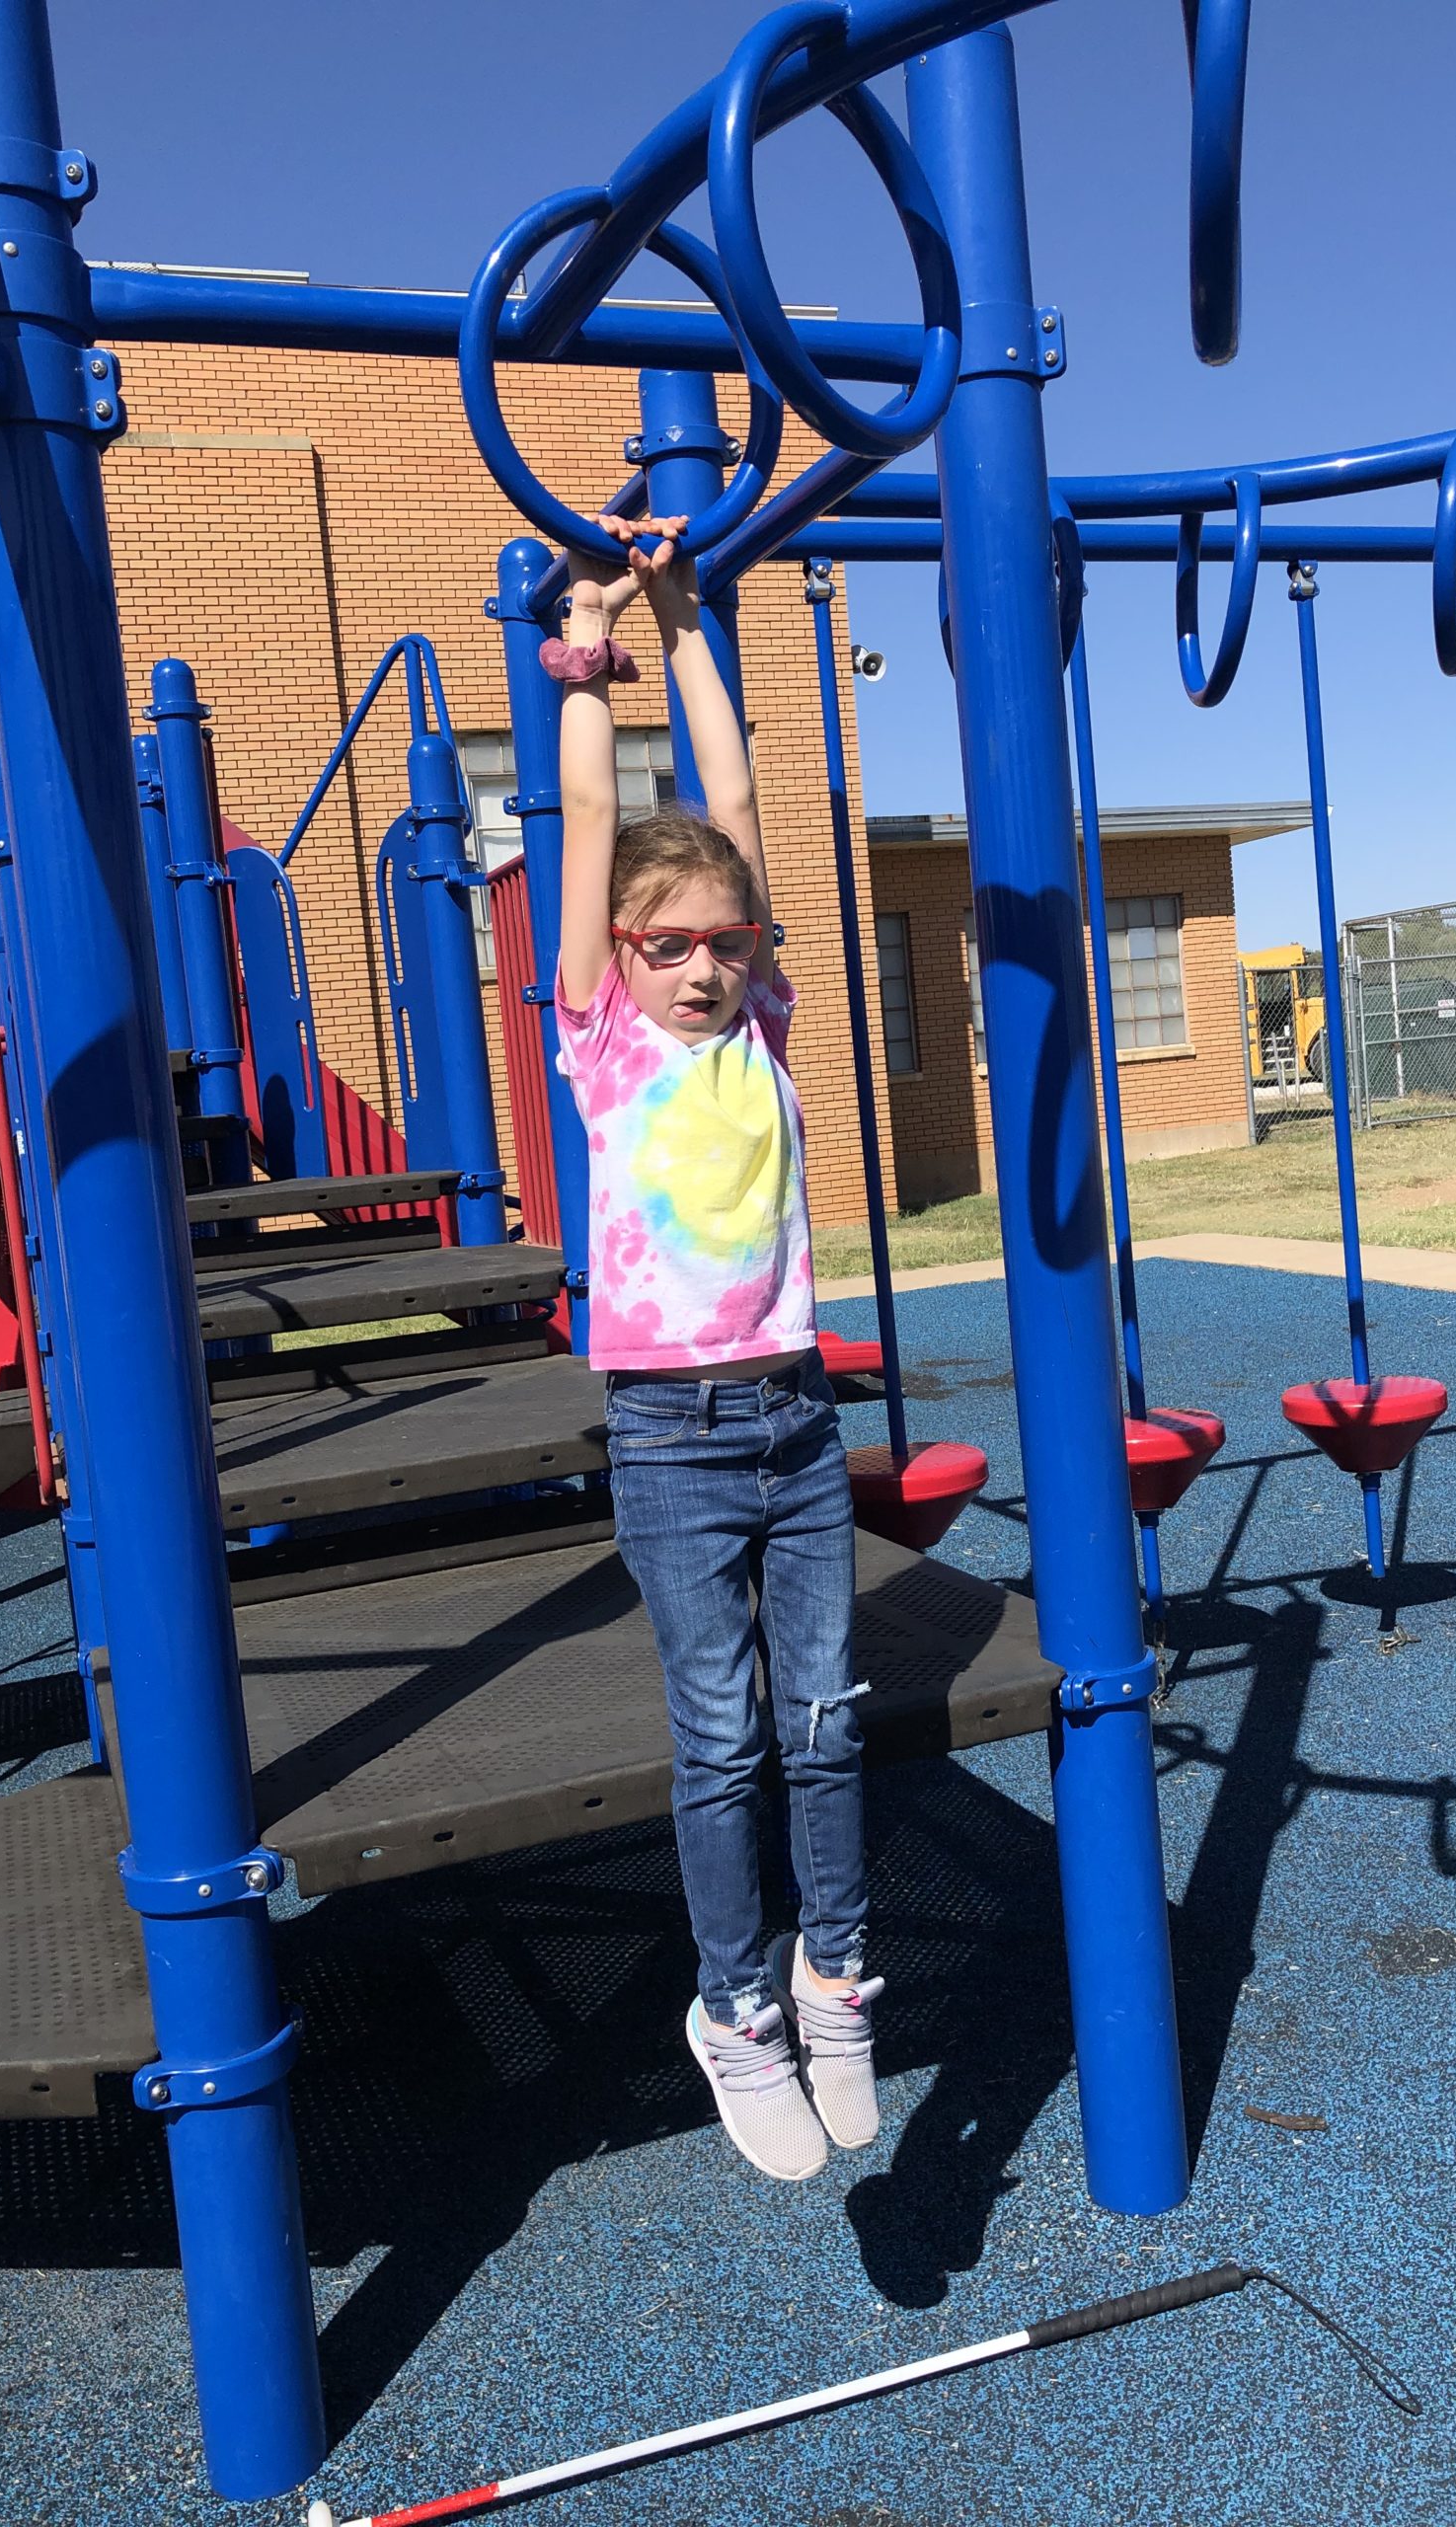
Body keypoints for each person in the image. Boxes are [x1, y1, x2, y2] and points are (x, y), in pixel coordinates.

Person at [547, 510, 881, 2182]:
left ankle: (835, 1980)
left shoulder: (757, 1022)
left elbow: (735, 816)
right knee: (723, 1733)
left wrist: (688, 617)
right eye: (662, 942)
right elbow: (602, 816)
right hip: (671, 1436)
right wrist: (591, 643)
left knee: (824, 1715)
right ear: (617, 957)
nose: (694, 963)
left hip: (795, 1419)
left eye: (721, 941)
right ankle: (733, 2008)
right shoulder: (606, 1041)